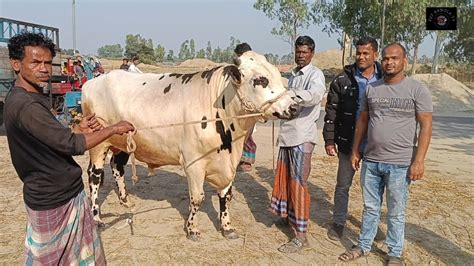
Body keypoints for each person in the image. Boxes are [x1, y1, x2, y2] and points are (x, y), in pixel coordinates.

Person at [4, 32, 135, 265]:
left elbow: (54, 138)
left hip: (61, 193)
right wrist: (113, 129)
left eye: (47, 62)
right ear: (16, 64)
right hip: (53, 199)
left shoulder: (28, 99)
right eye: (35, 62)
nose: (44, 68)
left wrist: (78, 127)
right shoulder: (26, 106)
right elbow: (71, 145)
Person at [338, 43, 432, 265]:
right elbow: (362, 121)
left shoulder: (417, 90)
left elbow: (426, 126)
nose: (390, 62)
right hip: (371, 161)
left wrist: (419, 161)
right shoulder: (373, 88)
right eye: (386, 58)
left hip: (400, 164)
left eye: (395, 58)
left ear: (404, 61)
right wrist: (355, 151)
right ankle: (363, 245)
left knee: (396, 212)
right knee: (370, 208)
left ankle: (394, 252)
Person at [323, 37, 384, 241]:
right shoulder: (343, 80)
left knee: (373, 190)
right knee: (343, 185)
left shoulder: (385, 79)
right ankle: (339, 222)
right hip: (348, 142)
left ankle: (372, 226)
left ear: (375, 54)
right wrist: (329, 140)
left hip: (376, 145)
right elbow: (331, 111)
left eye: (366, 53)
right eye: (358, 53)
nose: (361, 57)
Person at [269, 36, 326, 253]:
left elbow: (314, 96)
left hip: (302, 136)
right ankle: (289, 218)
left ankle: (301, 236)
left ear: (312, 53)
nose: (301, 55)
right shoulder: (292, 76)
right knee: (285, 179)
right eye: (298, 51)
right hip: (287, 135)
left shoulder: (315, 75)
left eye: (305, 52)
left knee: (299, 183)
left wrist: (290, 95)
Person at [234, 42, 257, 172]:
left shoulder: (255, 69)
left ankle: (247, 161)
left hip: (251, 106)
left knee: (246, 135)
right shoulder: (239, 69)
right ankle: (238, 159)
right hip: (238, 105)